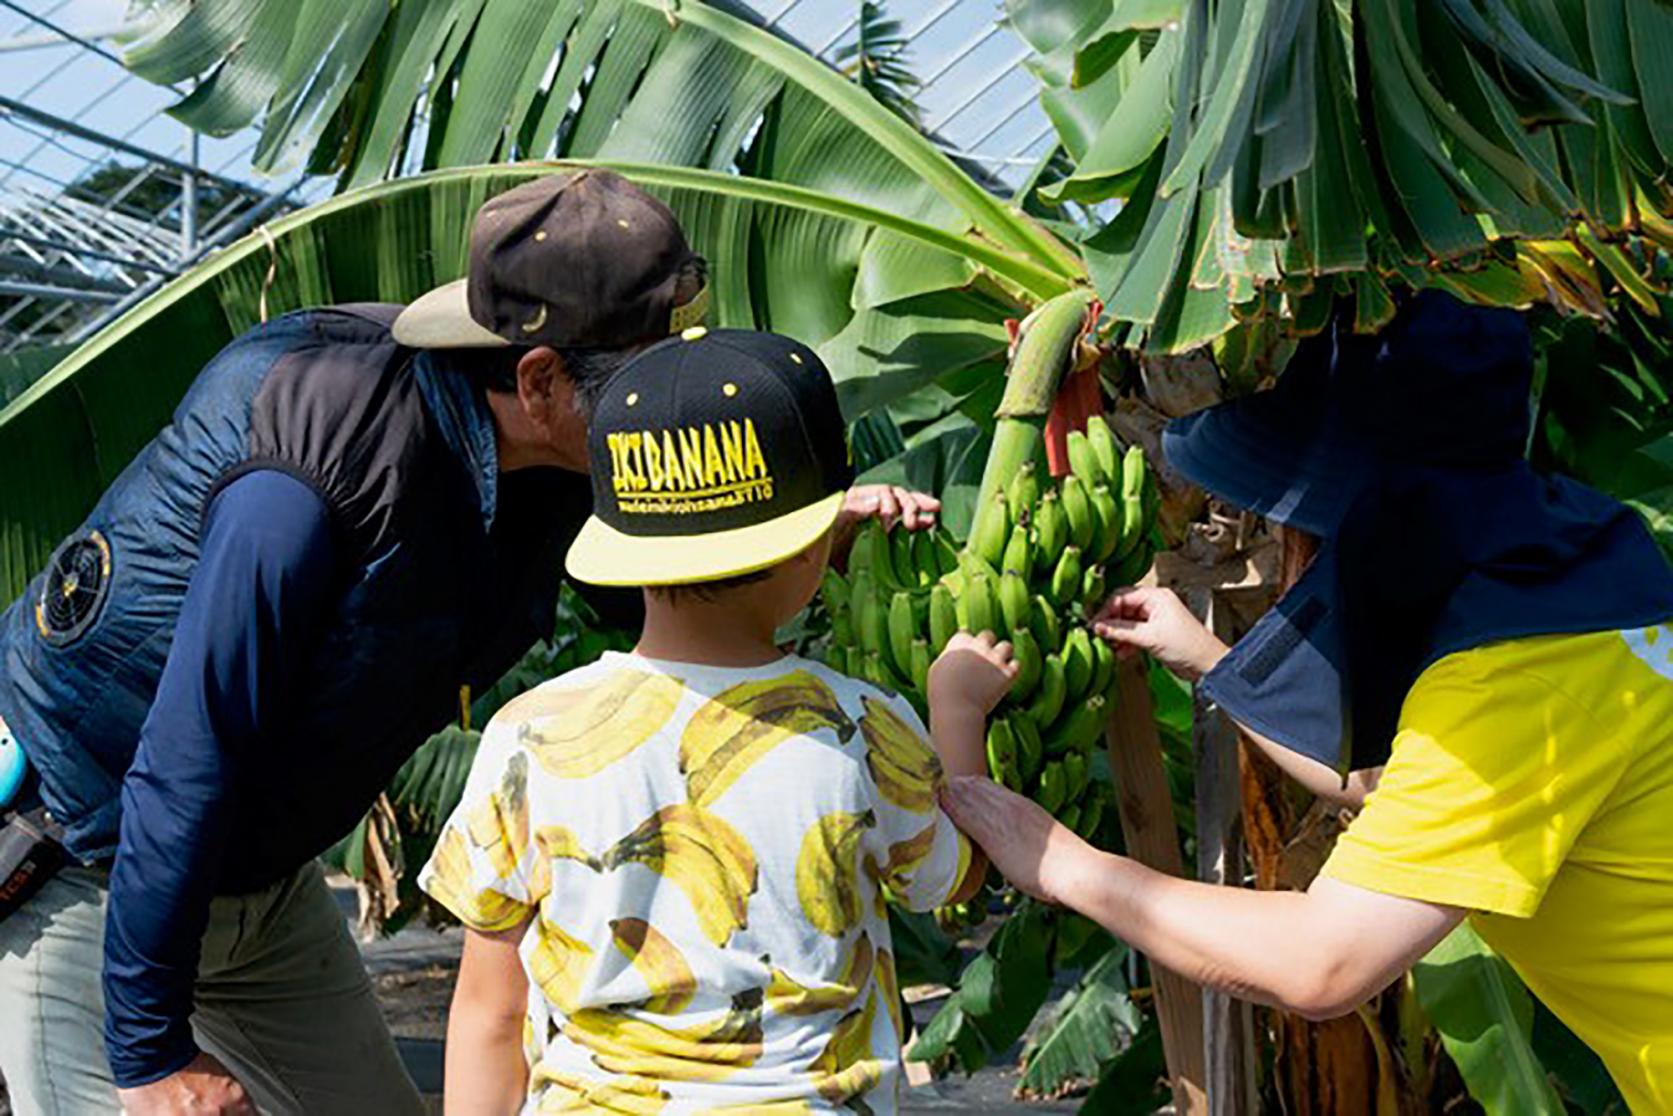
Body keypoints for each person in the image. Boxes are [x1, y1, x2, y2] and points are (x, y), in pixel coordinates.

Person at [0, 171, 931, 1115]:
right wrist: (152, 1058)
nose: (661, 403)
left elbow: (660, 608)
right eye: (640, 379)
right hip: (92, 863)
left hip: (262, 884)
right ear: (538, 378)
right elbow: (190, 750)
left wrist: (785, 533)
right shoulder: (316, 462)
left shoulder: (557, 455)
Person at [942, 292, 1673, 1112]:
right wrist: (1210, 662)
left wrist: (1060, 862)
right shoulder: (1589, 598)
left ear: (1390, 522)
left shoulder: (1517, 679)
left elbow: (1322, 964)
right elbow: (1402, 794)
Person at [419, 327, 1012, 1114]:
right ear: (812, 547)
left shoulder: (529, 737)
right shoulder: (861, 728)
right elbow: (955, 874)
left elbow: (489, 1009)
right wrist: (958, 707)